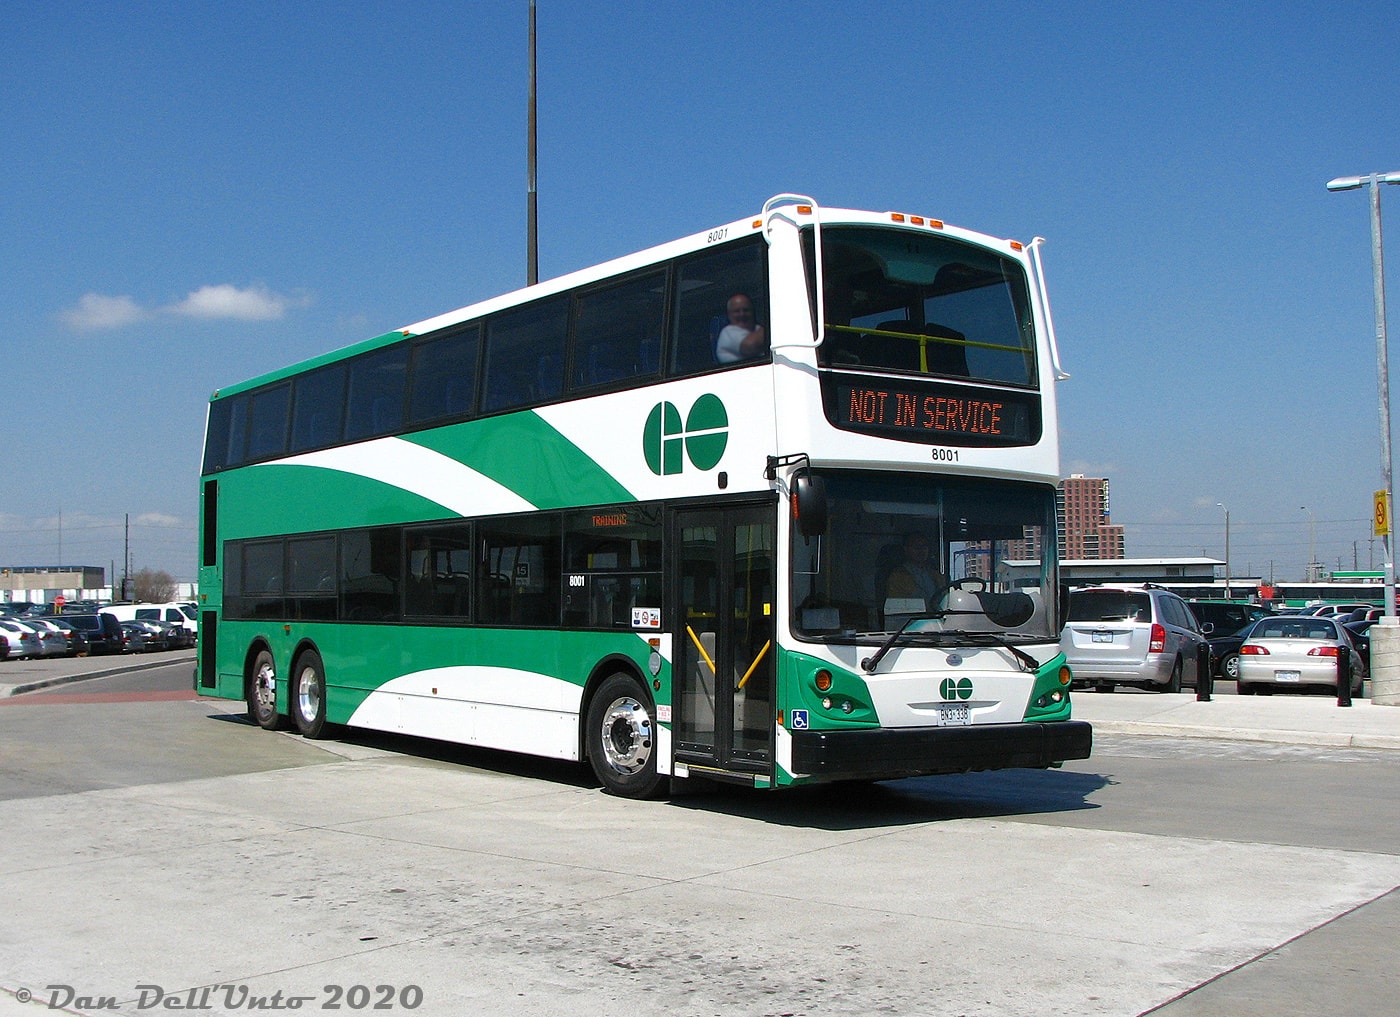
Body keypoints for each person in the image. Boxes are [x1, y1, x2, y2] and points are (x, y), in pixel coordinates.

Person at [885, 533, 946, 604]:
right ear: (906, 549)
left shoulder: (936, 575)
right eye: (916, 547)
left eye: (924, 546)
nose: (921, 550)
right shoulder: (897, 576)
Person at [714, 293, 768, 363]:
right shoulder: (727, 332)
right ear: (729, 315)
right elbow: (750, 346)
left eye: (746, 310)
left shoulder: (758, 329)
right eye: (737, 311)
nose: (742, 314)